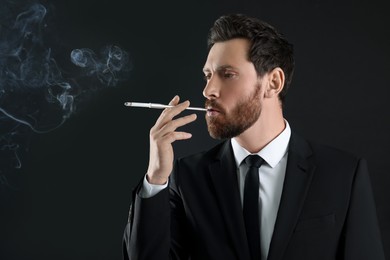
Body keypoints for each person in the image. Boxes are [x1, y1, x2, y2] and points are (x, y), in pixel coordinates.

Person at [122, 13, 385, 260]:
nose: (209, 90)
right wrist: (156, 178)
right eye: (208, 75)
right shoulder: (187, 177)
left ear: (273, 83)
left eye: (228, 75)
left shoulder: (342, 174)